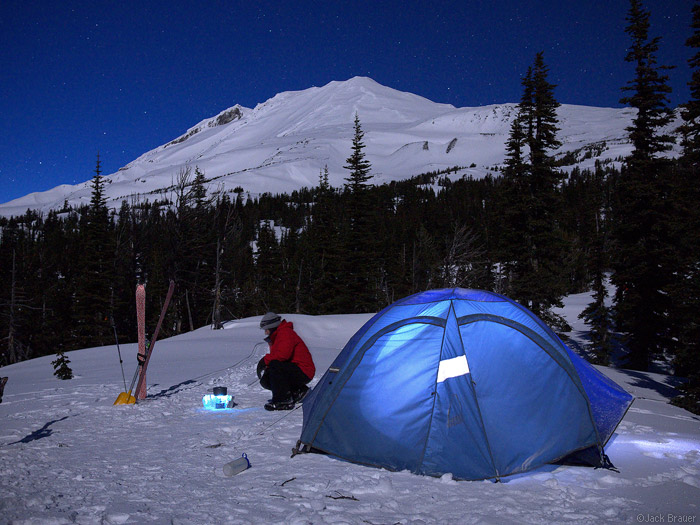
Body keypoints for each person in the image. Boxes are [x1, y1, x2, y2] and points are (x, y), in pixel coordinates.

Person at [257, 312, 315, 411]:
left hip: (304, 371)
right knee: (266, 379)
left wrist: (264, 361)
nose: (265, 333)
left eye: (266, 330)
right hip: (294, 369)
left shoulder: (285, 333)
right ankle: (298, 392)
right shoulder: (277, 335)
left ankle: (283, 401)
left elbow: (282, 356)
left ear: (271, 327)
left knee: (275, 366)